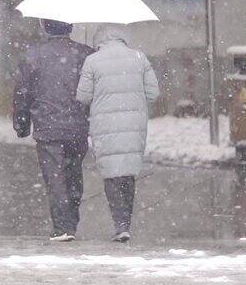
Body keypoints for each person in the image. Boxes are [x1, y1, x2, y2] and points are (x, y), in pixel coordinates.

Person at [76, 24, 159, 243]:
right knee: (128, 171)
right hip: (134, 121)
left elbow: (83, 96)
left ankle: (119, 223)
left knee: (111, 173)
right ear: (123, 39)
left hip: (105, 122)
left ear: (99, 42)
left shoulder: (92, 61)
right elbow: (153, 93)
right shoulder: (139, 57)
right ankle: (126, 223)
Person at [13, 19, 94, 242]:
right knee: (74, 173)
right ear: (70, 27)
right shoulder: (85, 54)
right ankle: (71, 221)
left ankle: (62, 226)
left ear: (44, 27)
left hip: (47, 125)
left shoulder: (32, 55)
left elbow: (22, 92)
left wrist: (21, 122)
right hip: (77, 125)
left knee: (55, 177)